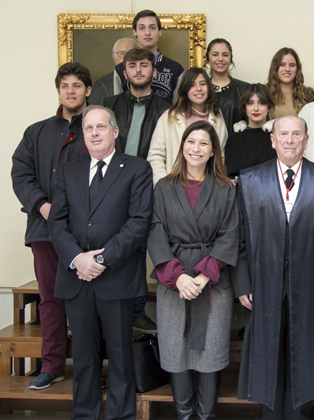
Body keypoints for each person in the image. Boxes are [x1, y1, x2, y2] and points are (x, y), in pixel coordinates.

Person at [234, 116, 314, 419]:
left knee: (305, 352)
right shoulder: (249, 180)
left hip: (311, 281)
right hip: (263, 281)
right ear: (273, 140)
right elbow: (238, 235)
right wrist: (242, 282)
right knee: (267, 353)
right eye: (283, 134)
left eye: (297, 134)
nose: (290, 140)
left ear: (306, 140)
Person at [47, 105, 153, 419]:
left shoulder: (136, 168)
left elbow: (139, 222)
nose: (94, 133)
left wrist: (103, 259)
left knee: (120, 357)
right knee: (83, 358)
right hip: (76, 278)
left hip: (116, 279)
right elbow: (57, 222)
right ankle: (85, 414)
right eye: (89, 128)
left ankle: (120, 415)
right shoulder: (69, 169)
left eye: (101, 127)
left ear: (115, 132)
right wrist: (77, 259)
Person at [148, 120, 238, 420]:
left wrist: (202, 275)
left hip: (212, 282)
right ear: (182, 146)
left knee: (210, 352)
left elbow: (230, 234)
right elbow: (155, 231)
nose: (196, 148)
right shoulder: (164, 187)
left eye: (203, 143)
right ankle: (184, 415)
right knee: (176, 350)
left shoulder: (225, 189)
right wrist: (178, 276)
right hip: (173, 280)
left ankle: (206, 415)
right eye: (190, 142)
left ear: (213, 151)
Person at [11, 62, 92, 390]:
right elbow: (21, 173)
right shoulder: (37, 132)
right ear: (58, 91)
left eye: (77, 85)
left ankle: (91, 369)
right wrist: (43, 205)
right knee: (49, 299)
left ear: (88, 90)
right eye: (65, 86)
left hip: (86, 232)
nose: (70, 91)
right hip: (44, 230)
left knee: (87, 301)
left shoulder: (97, 128)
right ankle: (53, 365)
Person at [104, 47, 170, 333]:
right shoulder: (109, 104)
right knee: (111, 248)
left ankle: (137, 311)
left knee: (141, 249)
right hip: (111, 188)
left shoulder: (165, 108)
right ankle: (108, 312)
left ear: (153, 72)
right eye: (133, 66)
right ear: (125, 71)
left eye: (144, 65)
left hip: (147, 186)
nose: (139, 70)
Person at [148, 67, 228, 185]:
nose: (198, 89)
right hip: (173, 187)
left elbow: (220, 159)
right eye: (192, 85)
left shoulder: (218, 121)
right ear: (185, 89)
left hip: (207, 189)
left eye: (202, 84)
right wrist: (163, 186)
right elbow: (156, 156)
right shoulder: (168, 117)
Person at [113, 9, 184, 104]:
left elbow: (178, 109)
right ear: (134, 32)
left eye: (152, 28)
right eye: (142, 28)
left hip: (164, 117)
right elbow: (117, 106)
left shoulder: (176, 69)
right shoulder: (120, 68)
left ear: (160, 31)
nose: (147, 33)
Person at [225, 83, 277, 178]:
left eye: (261, 103)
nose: (256, 108)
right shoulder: (234, 139)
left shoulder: (277, 138)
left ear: (269, 107)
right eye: (250, 103)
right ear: (245, 108)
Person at [206, 38, 249, 135]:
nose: (220, 59)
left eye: (225, 55)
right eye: (215, 54)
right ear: (208, 59)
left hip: (238, 146)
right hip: (207, 146)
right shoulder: (200, 90)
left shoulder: (244, 89)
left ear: (230, 60)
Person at [266, 47, 314, 119]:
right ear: (275, 68)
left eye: (292, 65)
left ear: (297, 69)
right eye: (282, 64)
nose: (287, 69)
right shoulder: (264, 93)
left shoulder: (309, 95)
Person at [89, 38, 138, 106]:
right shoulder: (102, 85)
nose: (127, 58)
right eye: (122, 53)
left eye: (132, 53)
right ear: (114, 57)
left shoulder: (145, 81)